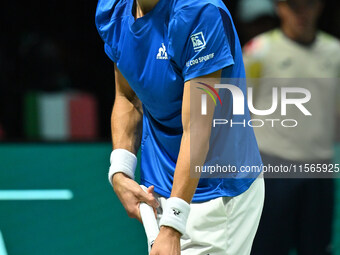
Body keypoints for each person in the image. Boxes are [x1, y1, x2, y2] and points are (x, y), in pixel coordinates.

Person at [96, 0, 264, 254]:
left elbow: (197, 128)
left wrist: (173, 224)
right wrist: (120, 171)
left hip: (217, 196)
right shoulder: (113, 9)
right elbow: (128, 97)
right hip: (159, 188)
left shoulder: (199, 12)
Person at [243, 0, 340, 254]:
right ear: (279, 7)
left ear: (319, 6)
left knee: (317, 248)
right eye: (292, 5)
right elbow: (236, 109)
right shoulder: (259, 51)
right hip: (272, 174)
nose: (301, 13)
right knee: (267, 248)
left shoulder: (335, 53)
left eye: (308, 4)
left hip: (319, 172)